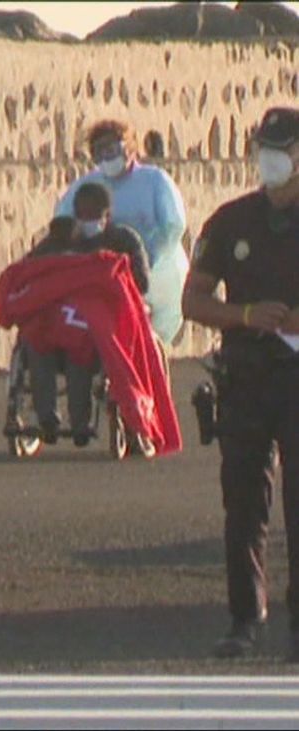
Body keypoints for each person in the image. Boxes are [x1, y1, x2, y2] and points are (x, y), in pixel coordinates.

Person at [183, 107, 299, 661]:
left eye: (281, 149)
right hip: (247, 372)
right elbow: (194, 299)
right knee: (244, 500)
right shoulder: (231, 220)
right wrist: (247, 314)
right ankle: (244, 618)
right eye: (263, 148)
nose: (269, 160)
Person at [26, 183, 152, 447]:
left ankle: (80, 422)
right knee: (35, 344)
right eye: (83, 216)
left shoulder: (123, 240)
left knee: (80, 351)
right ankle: (46, 415)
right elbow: (29, 267)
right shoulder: (62, 238)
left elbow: (141, 283)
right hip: (60, 320)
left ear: (107, 216)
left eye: (94, 216)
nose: (88, 222)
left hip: (100, 323)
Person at [56, 119, 188, 345]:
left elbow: (173, 225)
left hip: (155, 275)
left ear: (129, 148)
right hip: (104, 275)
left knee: (149, 339)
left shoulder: (154, 181)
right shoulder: (87, 186)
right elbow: (63, 221)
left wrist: (148, 255)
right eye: (100, 152)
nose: (107, 156)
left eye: (113, 148)